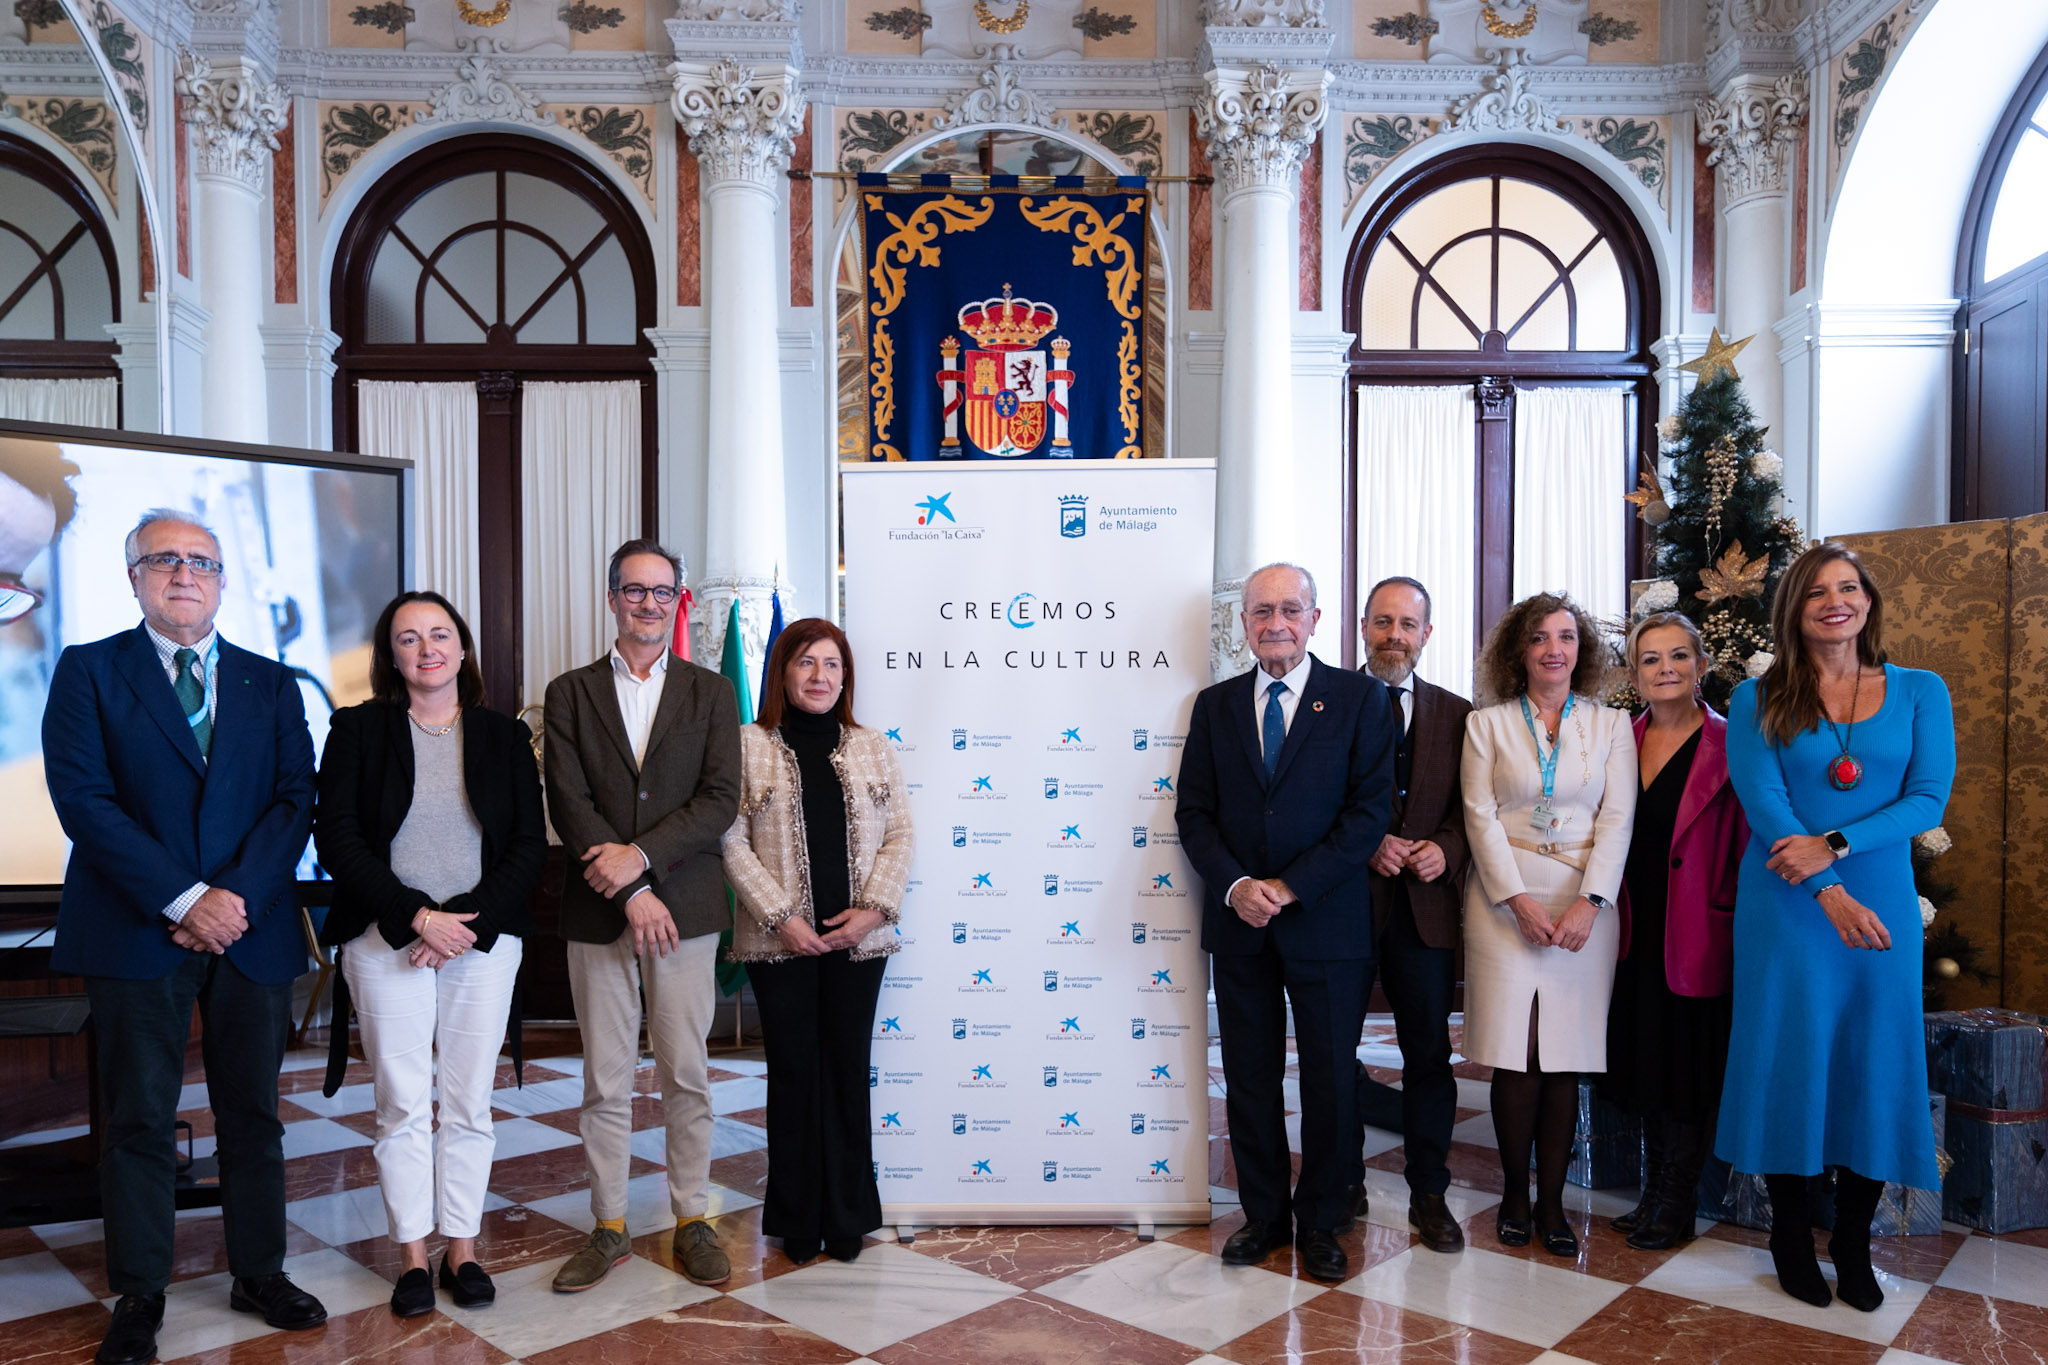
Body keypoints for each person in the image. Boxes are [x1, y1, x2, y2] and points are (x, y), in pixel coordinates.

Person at [41, 509, 326, 1365]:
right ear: (134, 575)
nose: (184, 574)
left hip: (251, 928)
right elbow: (84, 801)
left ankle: (259, 1272)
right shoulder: (89, 670)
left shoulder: (268, 683)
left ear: (222, 581)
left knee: (253, 1114)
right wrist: (184, 896)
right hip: (136, 929)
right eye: (164, 559)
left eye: (201, 561)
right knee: (138, 1118)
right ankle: (139, 1291)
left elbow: (293, 799)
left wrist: (230, 896)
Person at [1717, 543, 1953, 1313]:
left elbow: (1927, 799)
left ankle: (1853, 1242)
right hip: (1788, 906)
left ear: (1869, 601)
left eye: (1847, 587)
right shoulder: (1759, 697)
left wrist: (1841, 849)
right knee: (1793, 1058)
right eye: (1816, 591)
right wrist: (1829, 890)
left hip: (1881, 895)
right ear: (1795, 609)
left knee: (1874, 1063)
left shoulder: (1921, 691)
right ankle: (1790, 1235)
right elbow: (1767, 808)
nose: (1834, 601)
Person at [313, 591, 546, 1315]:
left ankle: (463, 1249)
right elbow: (338, 839)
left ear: (464, 647)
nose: (426, 648)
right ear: (391, 655)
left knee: (469, 1102)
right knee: (403, 1102)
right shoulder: (356, 729)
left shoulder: (503, 735)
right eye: (408, 638)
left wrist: (463, 926)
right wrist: (416, 916)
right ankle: (413, 1255)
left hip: (480, 942)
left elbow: (528, 846)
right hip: (387, 940)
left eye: (439, 634)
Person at [1177, 562, 1397, 1283]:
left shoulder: (1362, 699)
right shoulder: (1213, 706)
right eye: (1262, 610)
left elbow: (1368, 816)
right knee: (1248, 1076)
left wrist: (1289, 886)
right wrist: (1240, 884)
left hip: (1327, 923)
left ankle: (1323, 1219)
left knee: (1331, 1080)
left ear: (1315, 617)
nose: (1276, 622)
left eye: (1290, 609)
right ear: (1244, 623)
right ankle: (1265, 1216)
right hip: (1240, 922)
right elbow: (1195, 814)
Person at [543, 539, 741, 1291]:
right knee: (605, 1077)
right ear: (611, 597)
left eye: (662, 592)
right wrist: (629, 888)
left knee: (687, 1072)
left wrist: (644, 863)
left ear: (678, 601)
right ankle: (609, 1225)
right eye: (634, 590)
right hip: (599, 910)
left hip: (686, 908)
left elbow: (718, 799)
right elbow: (569, 800)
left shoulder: (712, 692)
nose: (648, 604)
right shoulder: (569, 692)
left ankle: (693, 1217)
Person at [722, 618, 913, 1265]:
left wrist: (873, 911)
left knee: (845, 1071)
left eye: (832, 665)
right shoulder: (747, 744)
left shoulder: (872, 745)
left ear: (846, 676)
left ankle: (849, 1218)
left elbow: (902, 835)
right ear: (783, 671)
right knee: (795, 1072)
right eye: (806, 663)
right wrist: (782, 917)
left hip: (859, 942)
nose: (820, 676)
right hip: (782, 945)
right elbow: (729, 840)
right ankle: (798, 1218)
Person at [1462, 592, 1636, 1258]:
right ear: (1520, 651)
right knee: (1517, 1052)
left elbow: (1618, 818)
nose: (1553, 649)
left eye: (1566, 636)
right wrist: (1517, 900)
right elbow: (1479, 817)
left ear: (1581, 650)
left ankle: (1553, 1202)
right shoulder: (1489, 724)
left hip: (1584, 906)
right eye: (1539, 637)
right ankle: (1512, 1192)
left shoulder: (1612, 725)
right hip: (1506, 902)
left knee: (1564, 1056)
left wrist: (1592, 900)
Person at [1601, 612, 1745, 1251]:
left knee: (1686, 1070)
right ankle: (1653, 1193)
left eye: (1678, 657)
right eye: (1651, 659)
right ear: (1634, 674)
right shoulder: (1618, 740)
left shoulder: (1732, 742)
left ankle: (1676, 1204)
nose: (1665, 669)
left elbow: (1748, 841)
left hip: (1696, 928)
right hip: (1630, 929)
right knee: (1644, 1063)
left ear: (1701, 666)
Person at [1350, 576, 1472, 1254]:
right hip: (1346, 910)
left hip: (1426, 913)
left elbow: (1472, 807)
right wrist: (1369, 841)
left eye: (1408, 624)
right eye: (1383, 621)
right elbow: (1311, 800)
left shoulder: (1461, 715)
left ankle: (1431, 1190)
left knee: (1429, 1055)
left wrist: (1444, 849)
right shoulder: (1327, 702)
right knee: (1334, 1052)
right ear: (1363, 627)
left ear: (1429, 633)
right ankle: (1343, 1182)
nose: (1395, 634)